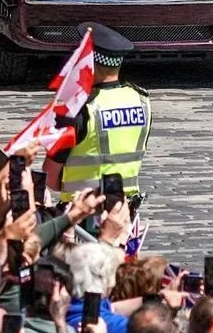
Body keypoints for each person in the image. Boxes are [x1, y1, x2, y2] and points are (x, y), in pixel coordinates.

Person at [44, 23, 152, 200]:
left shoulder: (78, 109)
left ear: (89, 62)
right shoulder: (141, 100)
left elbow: (50, 177)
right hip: (124, 210)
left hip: (83, 211)